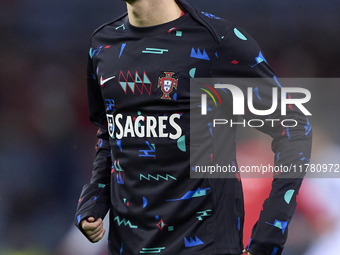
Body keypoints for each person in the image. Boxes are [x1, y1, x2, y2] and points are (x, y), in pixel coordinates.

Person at [74, 0, 312, 254]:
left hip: (204, 245)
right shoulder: (103, 44)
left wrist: (268, 236)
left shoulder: (217, 41)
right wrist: (94, 199)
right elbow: (110, 131)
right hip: (127, 246)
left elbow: (295, 126)